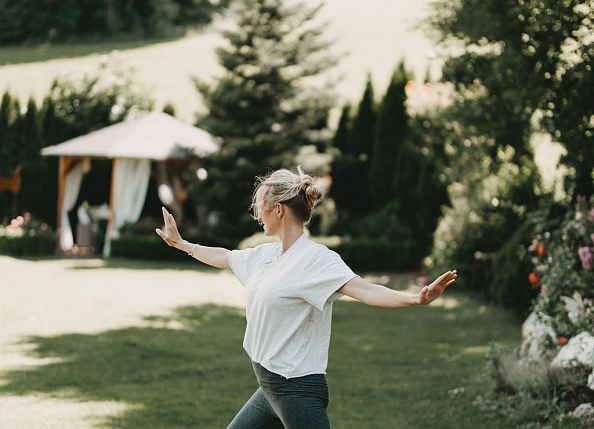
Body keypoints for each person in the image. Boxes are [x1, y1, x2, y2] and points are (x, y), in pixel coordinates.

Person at [155, 167, 457, 429]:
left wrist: (415, 299)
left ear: (279, 210)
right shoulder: (266, 255)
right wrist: (184, 245)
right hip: (269, 387)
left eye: (260, 207)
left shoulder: (316, 261)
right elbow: (226, 257)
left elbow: (364, 289)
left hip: (296, 390)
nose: (258, 215)